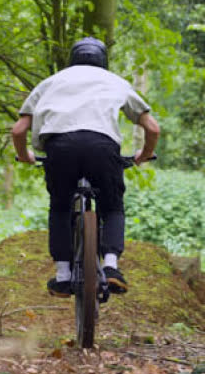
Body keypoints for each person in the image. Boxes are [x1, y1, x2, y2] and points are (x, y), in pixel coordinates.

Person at [12, 37, 160, 298]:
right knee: (112, 206)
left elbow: (19, 129)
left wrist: (25, 156)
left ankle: (62, 275)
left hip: (60, 147)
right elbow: (152, 128)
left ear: (72, 58)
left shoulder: (51, 82)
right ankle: (111, 266)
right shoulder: (115, 81)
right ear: (103, 60)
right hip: (102, 147)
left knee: (59, 206)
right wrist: (143, 155)